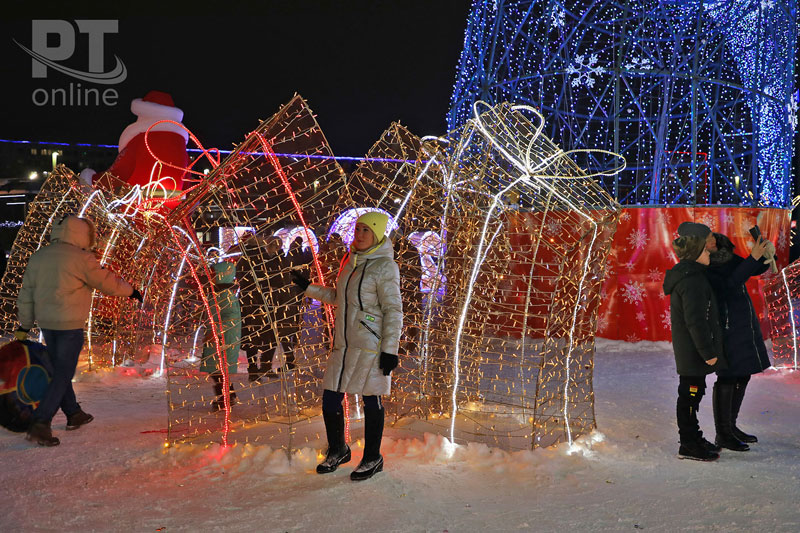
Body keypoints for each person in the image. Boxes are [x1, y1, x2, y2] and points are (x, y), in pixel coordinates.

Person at [291, 212, 402, 481]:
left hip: (371, 345)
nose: (359, 234)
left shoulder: (385, 266)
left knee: (370, 399)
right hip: (343, 344)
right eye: (357, 229)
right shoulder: (350, 261)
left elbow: (393, 309)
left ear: (376, 234)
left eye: (366, 230)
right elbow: (341, 297)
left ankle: (373, 457)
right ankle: (339, 449)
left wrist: (390, 349)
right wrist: (310, 288)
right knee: (330, 398)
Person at [16, 215, 141, 446]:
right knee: (62, 374)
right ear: (83, 234)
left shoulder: (39, 257)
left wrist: (25, 324)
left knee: (59, 370)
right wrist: (132, 291)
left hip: (48, 325)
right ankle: (40, 423)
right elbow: (106, 281)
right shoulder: (82, 258)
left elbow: (26, 295)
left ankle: (74, 413)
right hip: (70, 325)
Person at [663, 223, 726, 461]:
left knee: (694, 393)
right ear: (697, 251)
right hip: (693, 351)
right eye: (707, 250)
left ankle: (693, 436)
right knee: (689, 395)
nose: (710, 253)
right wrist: (707, 351)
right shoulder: (692, 280)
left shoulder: (694, 274)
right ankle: (688, 443)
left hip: (693, 350)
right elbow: (696, 322)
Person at [705, 230, 772, 451]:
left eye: (712, 235)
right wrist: (752, 258)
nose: (712, 239)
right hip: (725, 325)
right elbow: (728, 284)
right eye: (706, 238)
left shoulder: (727, 255)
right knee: (727, 375)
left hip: (742, 321)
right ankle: (723, 433)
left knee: (742, 373)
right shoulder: (703, 264)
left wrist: (764, 255)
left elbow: (752, 269)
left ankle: (731, 427)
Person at [200, 256, 241, 410]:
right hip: (218, 337)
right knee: (216, 370)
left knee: (218, 371)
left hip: (224, 338)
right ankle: (229, 396)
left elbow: (231, 318)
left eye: (214, 274)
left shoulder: (226, 295)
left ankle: (226, 399)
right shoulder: (219, 292)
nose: (211, 276)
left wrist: (215, 332)